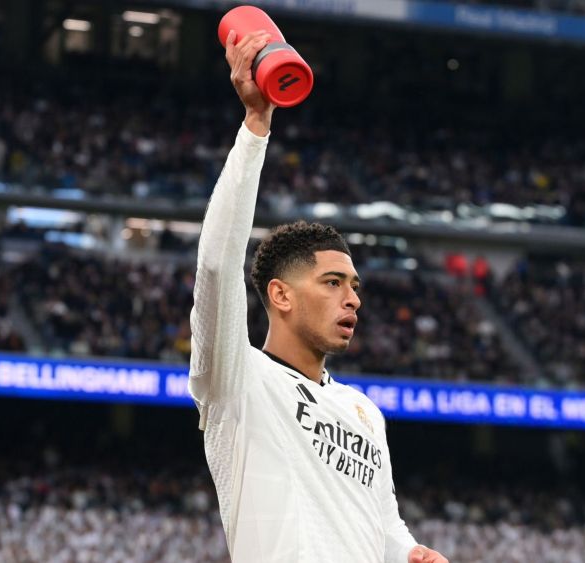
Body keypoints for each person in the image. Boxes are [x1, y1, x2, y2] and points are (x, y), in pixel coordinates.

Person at [188, 29, 449, 563]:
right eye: (333, 283)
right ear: (280, 295)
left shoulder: (364, 412)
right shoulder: (236, 382)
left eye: (354, 287)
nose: (352, 299)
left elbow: (382, 521)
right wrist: (255, 128)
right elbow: (216, 266)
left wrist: (409, 553)